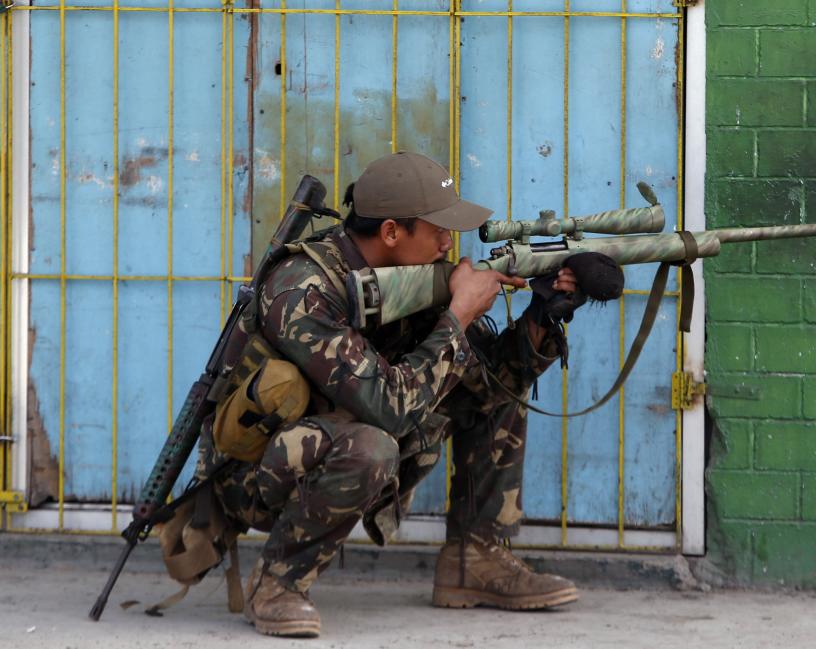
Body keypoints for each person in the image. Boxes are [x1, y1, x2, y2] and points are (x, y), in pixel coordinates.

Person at [196, 151, 588, 638]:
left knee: (491, 391)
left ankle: (475, 559)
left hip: (339, 438)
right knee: (371, 445)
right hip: (254, 474)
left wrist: (545, 313)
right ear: (390, 233)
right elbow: (390, 411)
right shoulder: (305, 289)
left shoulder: (410, 279)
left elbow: (490, 381)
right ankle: (276, 583)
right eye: (438, 230)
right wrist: (459, 315)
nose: (450, 244)